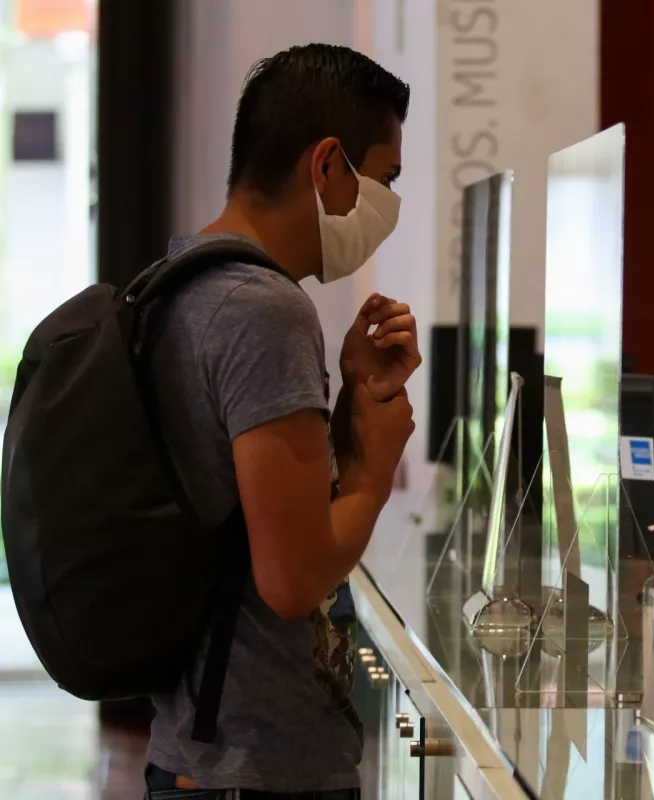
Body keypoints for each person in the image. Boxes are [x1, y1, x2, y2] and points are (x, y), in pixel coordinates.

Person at [143, 45, 417, 796]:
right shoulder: (264, 311)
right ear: (327, 165)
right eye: (385, 180)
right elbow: (292, 579)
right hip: (257, 768)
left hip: (211, 750)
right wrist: (375, 467)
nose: (390, 205)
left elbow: (245, 507)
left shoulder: (184, 277)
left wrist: (354, 404)